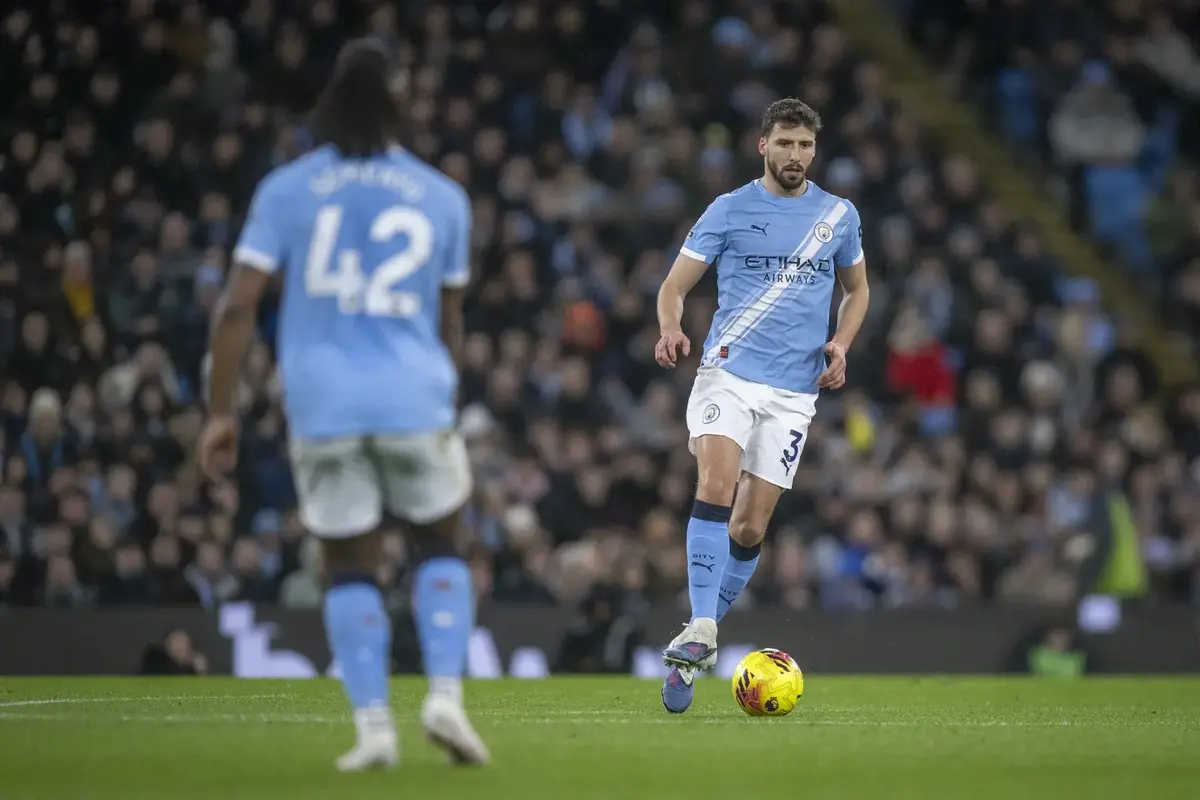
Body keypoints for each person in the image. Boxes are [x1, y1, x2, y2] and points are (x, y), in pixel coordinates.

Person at [198, 39, 489, 770]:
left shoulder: (286, 190)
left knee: (348, 564)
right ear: (399, 103)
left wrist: (222, 412)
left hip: (321, 401)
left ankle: (374, 731)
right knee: (442, 544)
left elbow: (236, 308)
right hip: (413, 395)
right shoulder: (442, 197)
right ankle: (445, 698)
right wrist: (445, 393)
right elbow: (450, 321)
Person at [653, 98, 870, 713]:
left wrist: (842, 342)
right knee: (715, 483)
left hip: (794, 393)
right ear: (763, 146)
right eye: (786, 143)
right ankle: (702, 625)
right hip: (728, 373)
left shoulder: (838, 215)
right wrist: (670, 327)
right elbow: (674, 285)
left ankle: (693, 644)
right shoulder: (728, 209)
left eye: (805, 145)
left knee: (749, 527)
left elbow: (858, 290)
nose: (796, 155)